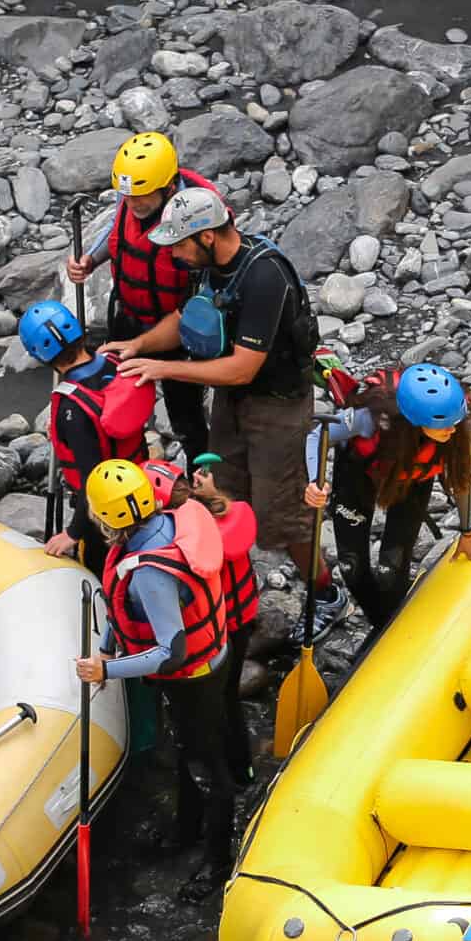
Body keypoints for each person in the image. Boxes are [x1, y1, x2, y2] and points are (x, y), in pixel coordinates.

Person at [106, 185, 347, 642]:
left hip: (276, 405)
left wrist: (163, 368)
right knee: (223, 492)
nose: (174, 254)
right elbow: (183, 318)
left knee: (284, 516)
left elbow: (242, 367)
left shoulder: (264, 277)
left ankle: (327, 595)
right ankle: (233, 593)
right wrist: (138, 346)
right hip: (234, 401)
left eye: (180, 243)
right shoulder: (208, 268)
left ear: (208, 237)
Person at [77, 460, 235, 899]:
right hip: (201, 664)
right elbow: (117, 601)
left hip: (194, 675)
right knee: (188, 750)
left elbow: (171, 653)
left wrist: (105, 669)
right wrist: (108, 643)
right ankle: (186, 829)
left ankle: (218, 863)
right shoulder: (154, 527)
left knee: (207, 769)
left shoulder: (149, 571)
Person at [306, 362, 471, 631]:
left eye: (455, 422)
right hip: (360, 475)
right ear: (416, 419)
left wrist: (468, 536)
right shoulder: (371, 418)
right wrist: (314, 483)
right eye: (445, 425)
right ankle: (384, 625)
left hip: (412, 481)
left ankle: (392, 628)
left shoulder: (456, 430)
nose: (452, 430)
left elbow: (461, 482)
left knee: (392, 570)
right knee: (352, 568)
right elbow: (317, 436)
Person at [63, 132, 219, 462]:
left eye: (143, 196)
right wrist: (90, 259)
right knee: (117, 398)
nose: (134, 204)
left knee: (185, 416)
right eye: (128, 196)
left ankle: (201, 481)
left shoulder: (195, 216)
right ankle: (124, 471)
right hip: (128, 316)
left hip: (179, 334)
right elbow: (119, 234)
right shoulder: (133, 197)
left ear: (169, 186)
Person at [143, 456, 256, 790]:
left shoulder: (184, 543)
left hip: (216, 636)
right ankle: (245, 772)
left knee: (214, 711)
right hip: (240, 624)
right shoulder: (229, 513)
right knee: (230, 700)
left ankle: (224, 775)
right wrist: (212, 493)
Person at [19, 299, 157, 567]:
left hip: (105, 514)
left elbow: (92, 480)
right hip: (141, 486)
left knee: (99, 568)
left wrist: (73, 533)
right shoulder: (117, 362)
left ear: (39, 355)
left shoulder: (73, 408)